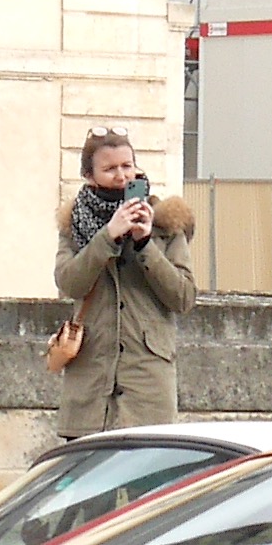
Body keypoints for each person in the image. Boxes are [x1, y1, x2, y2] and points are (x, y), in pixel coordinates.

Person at [52, 129, 195, 437]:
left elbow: (183, 297)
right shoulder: (74, 223)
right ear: (89, 176)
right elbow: (69, 284)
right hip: (90, 387)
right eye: (109, 168)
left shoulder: (166, 222)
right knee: (88, 468)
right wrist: (107, 237)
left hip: (147, 389)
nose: (121, 176)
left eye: (127, 166)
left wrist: (145, 244)